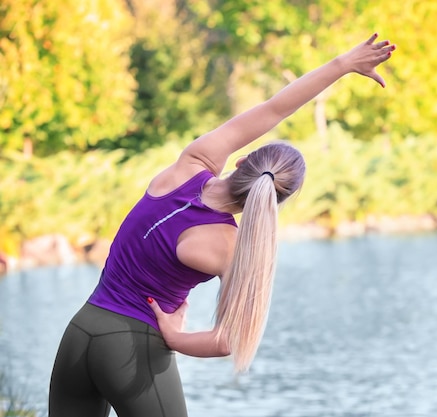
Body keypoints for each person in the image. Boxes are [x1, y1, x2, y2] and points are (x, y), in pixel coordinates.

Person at [48, 32, 395, 417]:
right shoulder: (232, 248)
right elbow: (228, 340)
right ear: (273, 204)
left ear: (243, 159)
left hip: (79, 332)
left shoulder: (193, 162)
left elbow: (275, 108)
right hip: (132, 347)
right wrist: (175, 338)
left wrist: (342, 64)